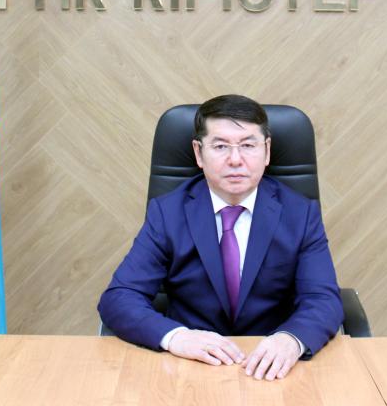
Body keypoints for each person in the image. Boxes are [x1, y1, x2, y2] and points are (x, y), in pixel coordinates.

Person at [97, 95, 344, 381]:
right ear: (199, 153)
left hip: (269, 366)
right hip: (187, 368)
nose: (235, 160)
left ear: (267, 151)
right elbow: (120, 297)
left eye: (248, 145)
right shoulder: (168, 213)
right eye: (220, 146)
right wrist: (176, 337)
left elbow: (323, 299)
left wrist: (291, 339)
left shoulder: (300, 214)